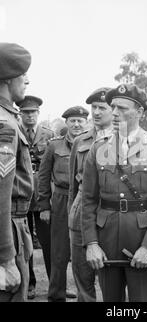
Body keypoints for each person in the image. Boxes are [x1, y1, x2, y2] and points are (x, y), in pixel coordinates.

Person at [81, 84, 147, 302]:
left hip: (143, 237)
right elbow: (87, 200)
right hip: (106, 241)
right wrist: (92, 244)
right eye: (113, 107)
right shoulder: (98, 148)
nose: (114, 113)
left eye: (122, 108)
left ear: (140, 112)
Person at [38, 106, 88, 302]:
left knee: (85, 248)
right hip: (61, 199)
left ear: (86, 122)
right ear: (66, 123)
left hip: (85, 198)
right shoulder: (54, 146)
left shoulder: (94, 143)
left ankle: (85, 292)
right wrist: (44, 206)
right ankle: (56, 294)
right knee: (59, 251)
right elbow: (43, 177)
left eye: (80, 121)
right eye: (72, 121)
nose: (76, 124)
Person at [68, 87, 113, 301]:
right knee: (83, 278)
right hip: (81, 213)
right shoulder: (81, 141)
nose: (96, 112)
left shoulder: (125, 141)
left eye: (101, 108)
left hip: (111, 215)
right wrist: (71, 214)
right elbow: (72, 185)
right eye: (93, 107)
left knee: (112, 279)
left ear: (113, 110)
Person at [0, 42, 33, 302]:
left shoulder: (9, 117)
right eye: (23, 76)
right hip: (7, 224)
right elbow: (1, 194)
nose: (26, 81)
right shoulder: (5, 123)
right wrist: (7, 257)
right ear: (10, 79)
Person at [16, 95, 54, 299]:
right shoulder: (13, 131)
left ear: (38, 114)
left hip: (42, 196)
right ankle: (29, 283)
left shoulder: (48, 135)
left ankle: (55, 284)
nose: (30, 116)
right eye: (26, 112)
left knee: (49, 243)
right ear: (20, 113)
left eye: (33, 112)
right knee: (23, 243)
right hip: (20, 195)